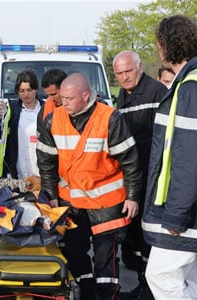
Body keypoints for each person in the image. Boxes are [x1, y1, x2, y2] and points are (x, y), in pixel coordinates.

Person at [36, 73, 142, 299]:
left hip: (106, 204)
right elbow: (46, 161)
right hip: (71, 202)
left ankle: (106, 296)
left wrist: (132, 196)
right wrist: (50, 193)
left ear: (86, 96)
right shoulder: (53, 119)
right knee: (74, 253)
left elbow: (130, 160)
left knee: (105, 260)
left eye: (69, 98)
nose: (63, 103)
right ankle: (85, 293)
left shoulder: (110, 118)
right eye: (61, 98)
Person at [142, 15, 197, 299]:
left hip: (189, 209)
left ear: (166, 45)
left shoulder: (191, 87)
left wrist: (176, 216)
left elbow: (193, 158)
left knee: (161, 275)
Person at [112, 50, 167, 300]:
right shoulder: (122, 95)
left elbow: (163, 140)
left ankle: (150, 289)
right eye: (119, 73)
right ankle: (141, 283)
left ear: (140, 67)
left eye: (128, 71)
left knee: (148, 236)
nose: (124, 77)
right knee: (133, 235)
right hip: (131, 177)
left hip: (151, 176)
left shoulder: (157, 92)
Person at [0, 69, 45, 179]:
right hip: (17, 173)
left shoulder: (46, 109)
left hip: (41, 174)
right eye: (21, 91)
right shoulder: (11, 109)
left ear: (36, 89)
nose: (26, 94)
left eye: (29, 90)